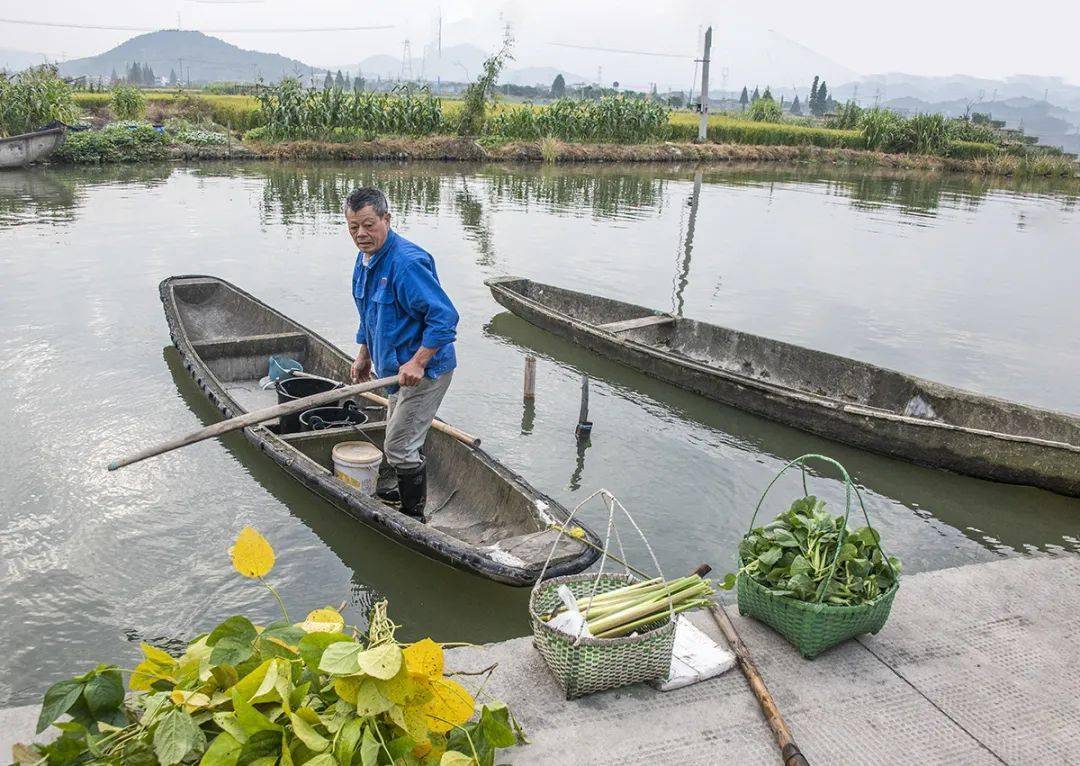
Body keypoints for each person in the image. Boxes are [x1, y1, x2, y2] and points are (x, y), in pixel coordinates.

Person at [345, 187, 459, 520]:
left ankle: (413, 517)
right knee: (401, 436)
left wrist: (419, 361)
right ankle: (402, 484)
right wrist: (363, 355)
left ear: (386, 219)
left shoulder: (406, 264)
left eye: (369, 225)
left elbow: (445, 318)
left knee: (397, 445)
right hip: (394, 370)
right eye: (353, 227)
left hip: (426, 372)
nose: (361, 234)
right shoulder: (365, 259)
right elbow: (368, 314)